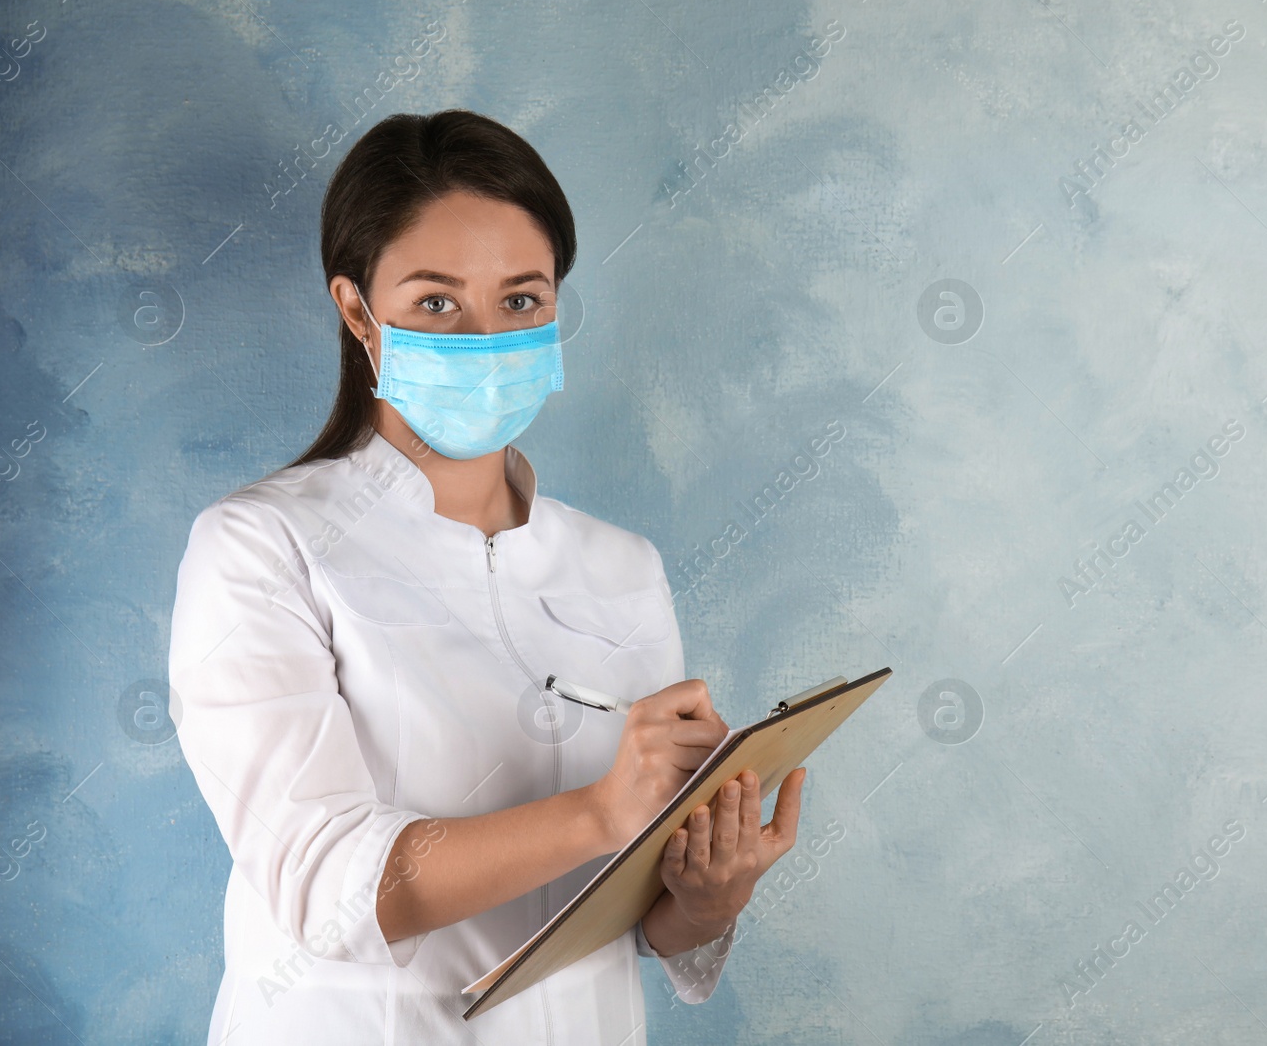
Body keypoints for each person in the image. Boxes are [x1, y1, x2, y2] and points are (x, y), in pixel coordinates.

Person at [167, 108, 807, 1044]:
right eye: (435, 302)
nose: (482, 336)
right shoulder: (261, 549)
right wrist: (600, 810)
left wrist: (704, 895)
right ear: (356, 309)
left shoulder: (622, 568)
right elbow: (322, 882)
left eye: (520, 301)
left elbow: (631, 908)